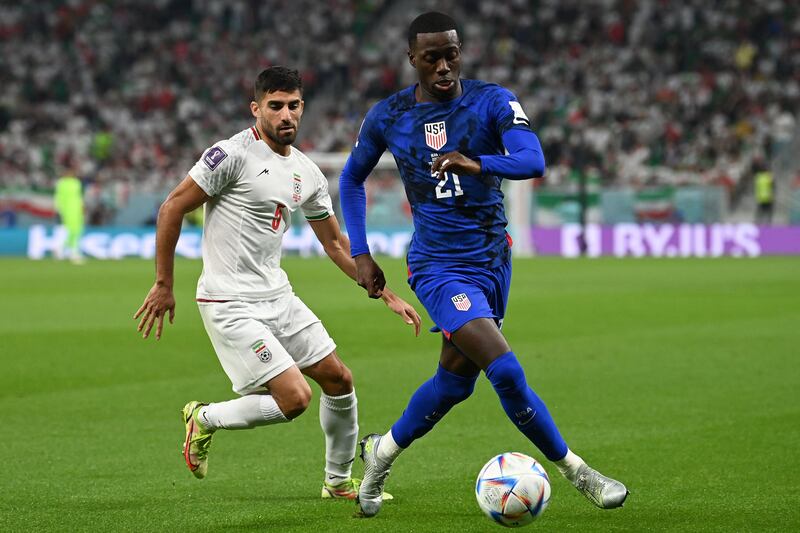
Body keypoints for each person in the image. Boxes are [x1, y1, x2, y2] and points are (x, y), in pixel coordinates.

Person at [338, 12, 629, 517]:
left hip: (493, 261)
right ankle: (579, 472)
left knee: (453, 383)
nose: (445, 65)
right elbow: (350, 180)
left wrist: (479, 162)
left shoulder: (492, 100)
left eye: (452, 53)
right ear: (413, 59)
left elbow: (532, 160)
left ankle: (380, 452)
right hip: (437, 266)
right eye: (433, 57)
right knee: (507, 371)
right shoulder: (388, 115)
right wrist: (360, 252)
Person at [134, 66, 421, 500]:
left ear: (302, 107)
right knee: (295, 399)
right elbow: (172, 207)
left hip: (277, 296)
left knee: (339, 379)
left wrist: (387, 295)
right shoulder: (230, 155)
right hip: (229, 300)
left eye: (293, 105)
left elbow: (336, 245)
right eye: (276, 106)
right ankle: (205, 418)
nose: (286, 114)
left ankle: (338, 481)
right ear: (257, 108)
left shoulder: (307, 172)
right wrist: (163, 283)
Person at [53, 162, 85, 263]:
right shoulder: (61, 183)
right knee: (72, 231)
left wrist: (81, 207)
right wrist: (58, 209)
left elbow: (79, 197)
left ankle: (61, 249)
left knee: (78, 230)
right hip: (67, 210)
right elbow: (58, 197)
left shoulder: (76, 183)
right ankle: (73, 252)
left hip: (76, 210)